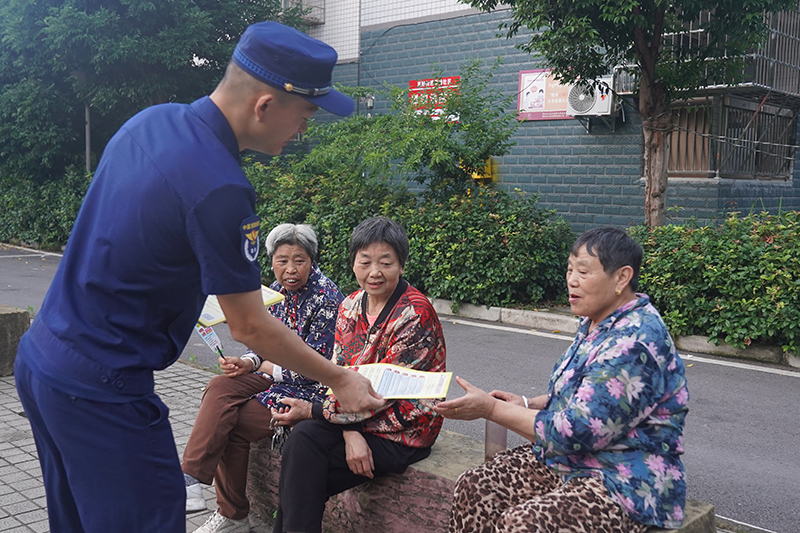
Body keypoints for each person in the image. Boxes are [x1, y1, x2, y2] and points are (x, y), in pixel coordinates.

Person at [14, 22, 382, 533]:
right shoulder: (221, 187)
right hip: (100, 386)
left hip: (42, 361)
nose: (303, 130)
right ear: (265, 105)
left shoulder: (153, 121)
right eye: (306, 114)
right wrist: (341, 378)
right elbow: (249, 325)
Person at [435, 227, 689, 533]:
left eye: (583, 271)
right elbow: (582, 393)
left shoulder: (635, 340)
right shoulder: (596, 321)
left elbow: (578, 430)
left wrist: (491, 409)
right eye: (570, 269)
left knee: (522, 525)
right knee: (475, 486)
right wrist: (527, 403)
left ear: (621, 278)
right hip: (571, 463)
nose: (571, 280)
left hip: (624, 481)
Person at [270, 216, 447, 533]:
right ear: (353, 264)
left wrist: (319, 413)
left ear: (401, 265)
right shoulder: (350, 306)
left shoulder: (414, 313)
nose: (374, 272)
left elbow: (388, 396)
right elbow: (336, 374)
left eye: (386, 263)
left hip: (401, 430)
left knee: (302, 475)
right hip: (355, 420)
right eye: (365, 262)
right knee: (302, 448)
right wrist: (350, 432)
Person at [182, 223, 344, 533]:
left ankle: (232, 514)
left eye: (299, 260)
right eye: (282, 260)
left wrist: (266, 367)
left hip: (308, 387)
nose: (290, 269)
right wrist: (246, 361)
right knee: (219, 385)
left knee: (232, 421)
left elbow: (319, 366)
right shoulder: (276, 291)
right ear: (271, 261)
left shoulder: (326, 298)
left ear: (312, 260)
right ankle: (190, 478)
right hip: (275, 375)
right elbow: (263, 342)